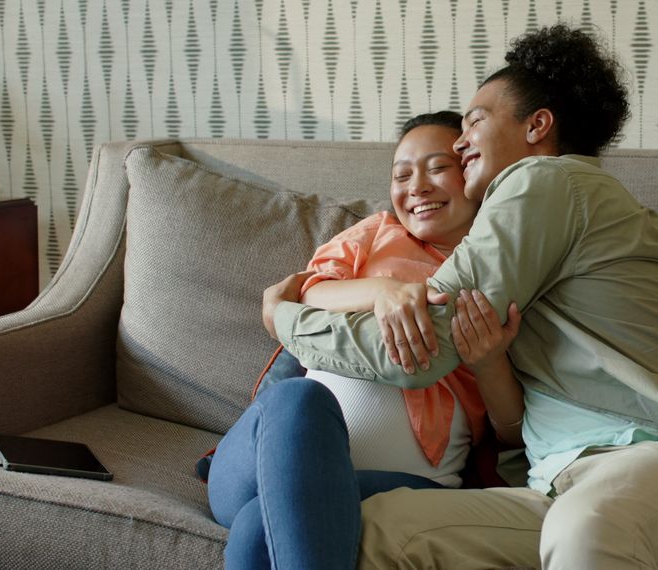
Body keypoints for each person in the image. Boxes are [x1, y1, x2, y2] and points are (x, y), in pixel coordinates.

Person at [266, 24, 658, 570]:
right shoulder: (517, 233)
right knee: (376, 533)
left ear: (537, 127)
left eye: (475, 120)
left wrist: (282, 315)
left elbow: (415, 348)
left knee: (588, 528)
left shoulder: (547, 183)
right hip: (556, 490)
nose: (458, 141)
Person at [208, 111, 525, 570]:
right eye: (402, 175)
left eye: (437, 168)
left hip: (407, 485)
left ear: (473, 174)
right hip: (262, 461)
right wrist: (383, 291)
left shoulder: (502, 270)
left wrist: (491, 361)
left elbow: (513, 432)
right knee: (299, 398)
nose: (416, 186)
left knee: (261, 527)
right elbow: (306, 292)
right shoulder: (378, 232)